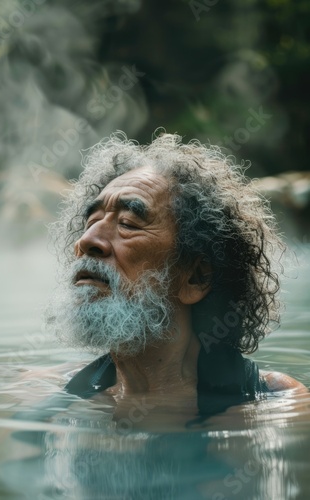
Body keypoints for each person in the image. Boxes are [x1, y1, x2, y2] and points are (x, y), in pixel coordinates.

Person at [45, 131, 307, 422]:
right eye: (91, 221)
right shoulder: (59, 391)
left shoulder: (273, 404)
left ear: (195, 278)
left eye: (128, 223)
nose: (87, 240)